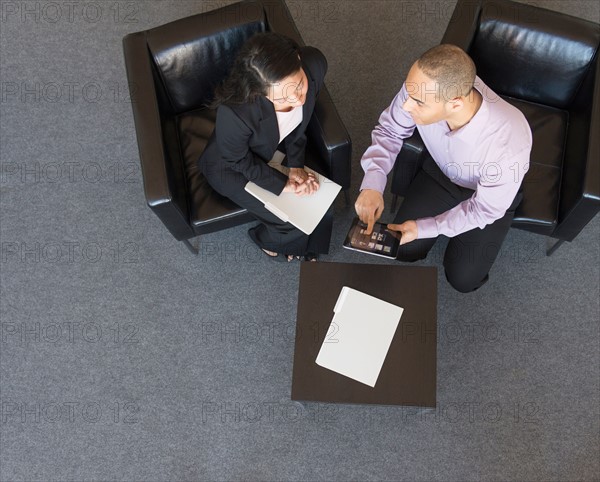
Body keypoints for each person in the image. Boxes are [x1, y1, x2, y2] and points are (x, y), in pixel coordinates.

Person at [355, 44, 532, 292]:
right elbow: (390, 130)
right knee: (401, 248)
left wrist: (427, 227)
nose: (406, 106)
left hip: (484, 197)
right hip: (441, 174)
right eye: (408, 93)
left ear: (455, 105)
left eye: (417, 103)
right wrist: (373, 183)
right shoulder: (423, 87)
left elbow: (484, 209)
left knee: (463, 280)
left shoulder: (508, 146)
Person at [199, 32, 330, 262]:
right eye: (282, 99)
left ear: (298, 59)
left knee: (318, 203)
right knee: (291, 223)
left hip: (270, 147)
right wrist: (284, 184)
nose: (298, 100)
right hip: (228, 166)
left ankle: (301, 247)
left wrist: (297, 166)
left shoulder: (315, 64)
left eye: (299, 85)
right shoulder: (235, 113)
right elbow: (239, 161)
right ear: (261, 94)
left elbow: (300, 126)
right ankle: (263, 238)